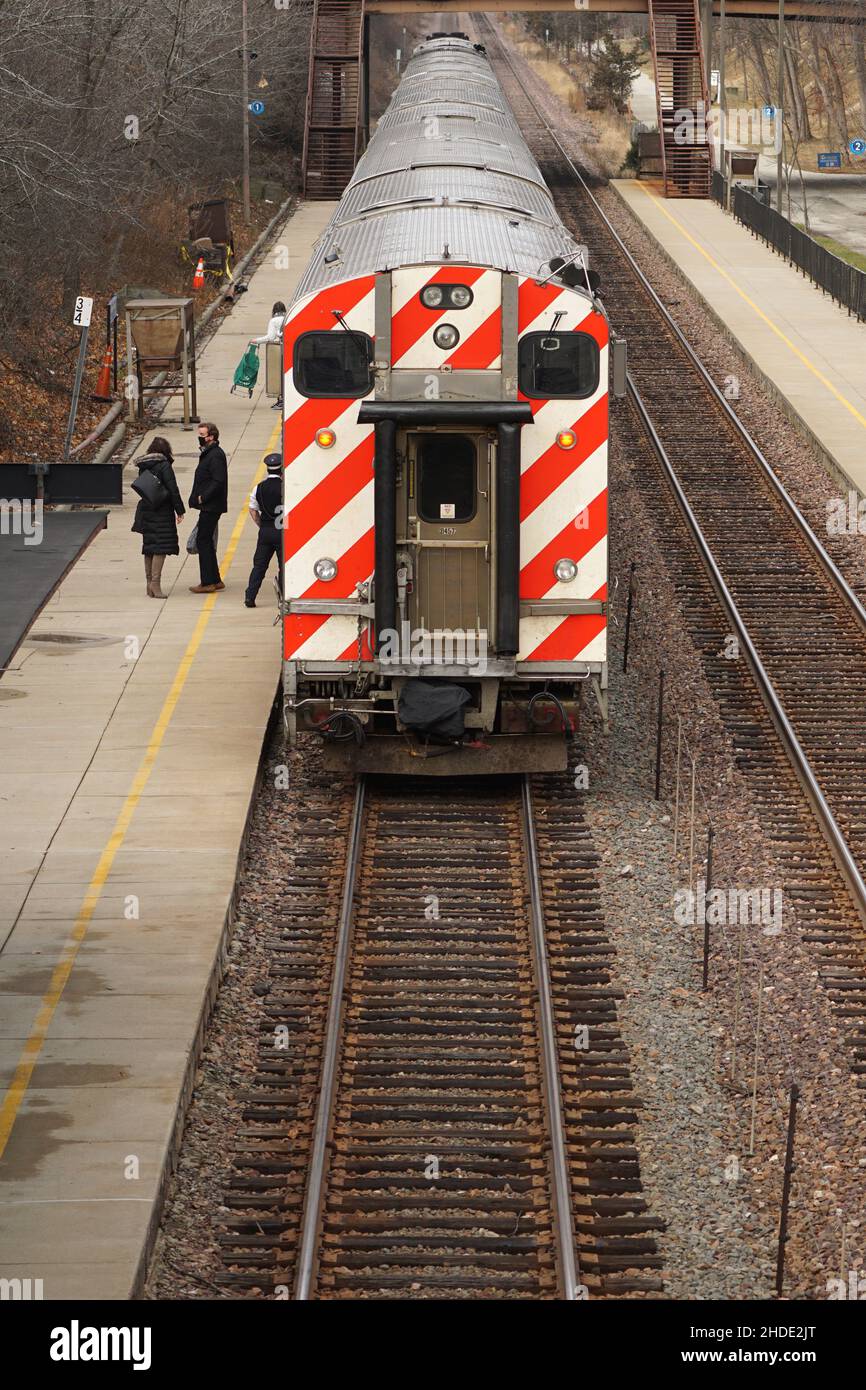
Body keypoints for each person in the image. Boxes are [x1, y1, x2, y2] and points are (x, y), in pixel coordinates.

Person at [131, 437, 185, 599]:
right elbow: (172, 489)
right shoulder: (164, 465)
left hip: (146, 509)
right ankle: (156, 584)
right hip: (162, 511)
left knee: (149, 547)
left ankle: (149, 584)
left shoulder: (144, 465)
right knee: (161, 547)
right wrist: (179, 510)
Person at [188, 422, 228, 593]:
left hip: (211, 505)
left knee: (202, 541)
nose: (200, 437)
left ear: (211, 437)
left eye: (202, 435)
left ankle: (207, 582)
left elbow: (218, 480)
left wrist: (203, 497)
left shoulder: (215, 455)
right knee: (206, 541)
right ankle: (215, 579)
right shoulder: (209, 453)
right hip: (209, 505)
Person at [244, 453, 283, 608]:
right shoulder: (285, 487)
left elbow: (253, 510)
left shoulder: (259, 488)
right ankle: (283, 597)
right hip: (282, 530)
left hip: (265, 531)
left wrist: (261, 525)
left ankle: (250, 597)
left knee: (259, 566)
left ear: (267, 469)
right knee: (283, 566)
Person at [252, 301, 287, 409]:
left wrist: (256, 340)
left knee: (277, 375)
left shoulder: (274, 321)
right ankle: (283, 399)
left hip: (277, 350)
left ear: (274, 311)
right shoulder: (288, 318)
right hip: (289, 348)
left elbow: (270, 337)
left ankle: (280, 400)